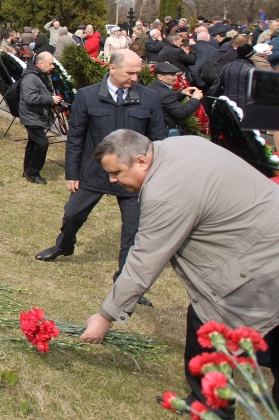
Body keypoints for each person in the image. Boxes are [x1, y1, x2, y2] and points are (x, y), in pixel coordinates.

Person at [79, 131, 279, 418]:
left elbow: (145, 259)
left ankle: (213, 407)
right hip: (263, 238)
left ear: (140, 161)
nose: (113, 180)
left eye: (117, 172)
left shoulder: (165, 192)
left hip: (262, 266)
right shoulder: (180, 144)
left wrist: (104, 316)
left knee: (213, 327)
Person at [35, 49, 167, 298]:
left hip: (133, 179)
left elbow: (158, 140)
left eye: (138, 73)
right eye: (131, 73)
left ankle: (126, 282)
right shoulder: (87, 96)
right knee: (73, 213)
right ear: (112, 68)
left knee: (134, 230)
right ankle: (63, 246)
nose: (135, 78)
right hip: (94, 172)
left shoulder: (148, 98)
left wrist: (154, 177)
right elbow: (75, 137)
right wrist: (72, 173)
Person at [19, 51, 62, 184]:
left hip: (35, 115)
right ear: (40, 63)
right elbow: (30, 98)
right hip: (31, 116)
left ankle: (27, 169)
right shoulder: (31, 78)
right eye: (50, 64)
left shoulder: (41, 74)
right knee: (42, 143)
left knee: (33, 142)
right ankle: (33, 172)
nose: (53, 66)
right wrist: (50, 99)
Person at [149, 63, 203, 136]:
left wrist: (181, 93)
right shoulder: (165, 93)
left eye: (175, 75)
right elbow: (181, 113)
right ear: (160, 76)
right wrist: (195, 99)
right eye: (172, 75)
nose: (175, 77)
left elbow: (166, 104)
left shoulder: (152, 87)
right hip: (167, 131)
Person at [215, 43, 256, 110]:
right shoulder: (252, 70)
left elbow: (218, 81)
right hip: (245, 105)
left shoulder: (227, 66)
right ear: (250, 55)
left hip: (227, 103)